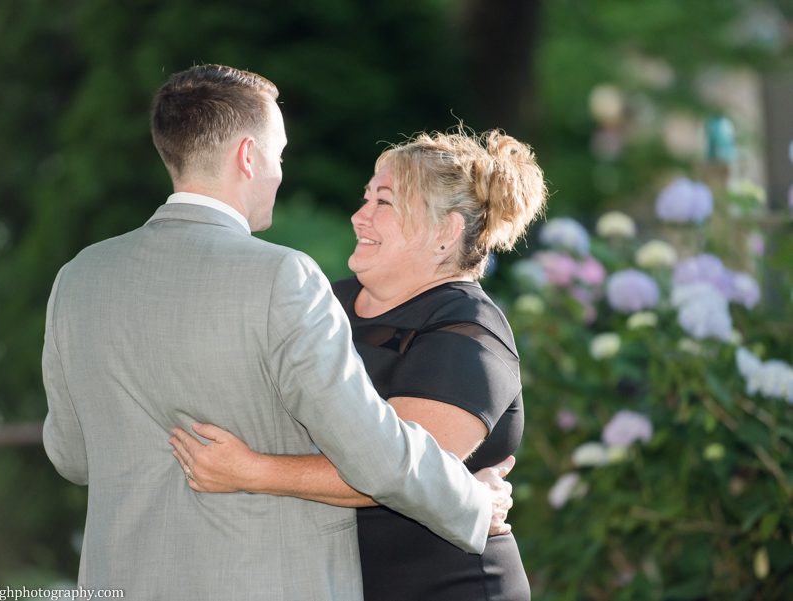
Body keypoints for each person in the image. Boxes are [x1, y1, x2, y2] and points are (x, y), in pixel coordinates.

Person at [42, 64, 514, 600]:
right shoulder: (282, 278)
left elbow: (70, 456)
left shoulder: (78, 277)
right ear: (248, 157)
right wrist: (473, 503)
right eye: (280, 155)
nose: (280, 172)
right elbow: (372, 452)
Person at [170, 127, 547, 600]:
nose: (358, 216)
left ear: (445, 231)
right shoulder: (325, 301)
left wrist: (251, 470)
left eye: (383, 203)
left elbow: (398, 472)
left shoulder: (469, 333)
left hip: (447, 586)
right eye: (365, 198)